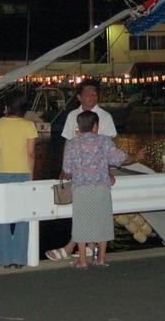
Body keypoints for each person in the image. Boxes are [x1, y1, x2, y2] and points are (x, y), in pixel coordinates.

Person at [61, 110, 145, 268]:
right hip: (101, 187)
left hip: (81, 188)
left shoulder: (72, 143)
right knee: (103, 221)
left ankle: (83, 261)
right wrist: (136, 157)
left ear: (79, 126)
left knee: (81, 222)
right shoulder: (105, 141)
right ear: (95, 126)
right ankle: (101, 259)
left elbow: (67, 170)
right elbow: (120, 158)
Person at [45, 79, 117, 262]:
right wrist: (64, 168)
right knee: (85, 212)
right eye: (88, 93)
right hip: (79, 174)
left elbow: (109, 148)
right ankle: (89, 251)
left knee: (88, 213)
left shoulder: (105, 117)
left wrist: (109, 171)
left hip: (97, 175)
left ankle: (74, 249)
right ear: (79, 97)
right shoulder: (72, 116)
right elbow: (68, 144)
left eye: (94, 93)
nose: (92, 97)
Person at [0, 92, 38, 268]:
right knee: (22, 218)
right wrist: (31, 176)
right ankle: (19, 259)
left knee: (3, 218)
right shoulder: (29, 125)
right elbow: (30, 154)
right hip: (22, 173)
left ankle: (6, 260)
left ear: (7, 107)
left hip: (1, 173)